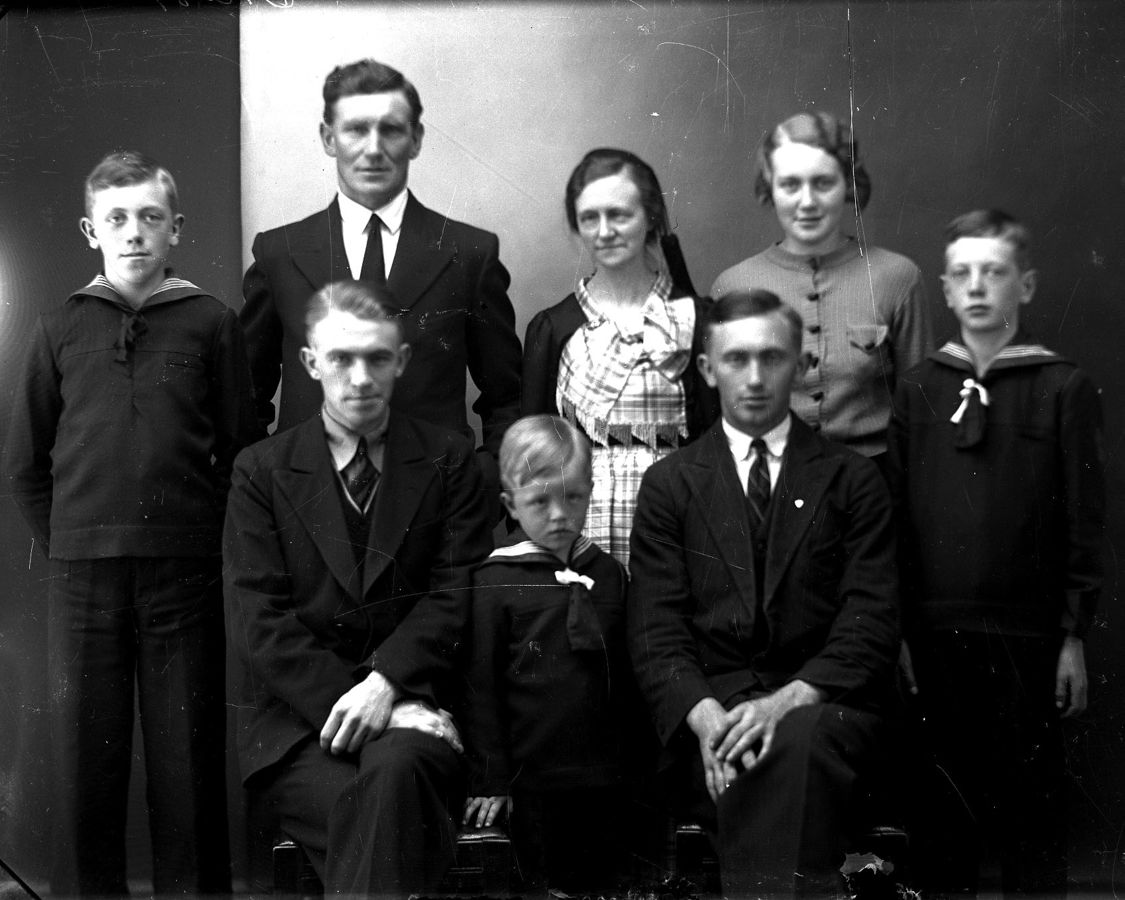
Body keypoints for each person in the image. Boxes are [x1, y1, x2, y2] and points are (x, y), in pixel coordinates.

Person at [3, 150, 258, 895]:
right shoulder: (61, 327)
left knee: (187, 755)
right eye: (116, 218)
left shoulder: (211, 323)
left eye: (151, 217)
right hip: (84, 578)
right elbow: (24, 463)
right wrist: (71, 544)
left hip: (184, 573)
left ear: (176, 227)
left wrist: (201, 541)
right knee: (86, 754)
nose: (134, 232)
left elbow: (242, 450)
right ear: (92, 230)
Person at [224, 279, 493, 897]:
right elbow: (259, 622)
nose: (362, 378)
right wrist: (374, 702)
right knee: (383, 805)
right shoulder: (260, 471)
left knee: (392, 779)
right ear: (311, 362)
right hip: (301, 730)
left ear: (401, 361)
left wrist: (388, 683)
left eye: (377, 358)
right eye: (341, 358)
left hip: (418, 716)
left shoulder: (450, 459)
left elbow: (456, 594)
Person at [628, 290, 899, 897]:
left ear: (801, 366)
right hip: (711, 716)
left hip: (824, 710)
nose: (754, 378)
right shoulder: (670, 484)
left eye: (772, 358)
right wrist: (709, 722)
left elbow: (871, 622)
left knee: (794, 743)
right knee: (760, 754)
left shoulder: (852, 479)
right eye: (737, 359)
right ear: (707, 369)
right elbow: (655, 632)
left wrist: (782, 706)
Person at [887, 209, 1105, 896]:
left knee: (1031, 806)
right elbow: (894, 520)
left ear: (1026, 285)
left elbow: (1084, 521)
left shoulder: (1061, 388)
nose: (978, 286)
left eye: (995, 272)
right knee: (940, 809)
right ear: (946, 291)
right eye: (963, 274)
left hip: (1029, 635)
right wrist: (899, 630)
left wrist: (1071, 635)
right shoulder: (918, 388)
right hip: (934, 631)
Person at [240, 58, 522, 493]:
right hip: (308, 506)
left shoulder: (469, 254)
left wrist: (478, 485)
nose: (373, 148)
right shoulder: (280, 254)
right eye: (356, 129)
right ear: (328, 138)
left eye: (390, 129)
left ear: (416, 139)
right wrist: (268, 489)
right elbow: (245, 399)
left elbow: (509, 399)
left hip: (435, 505)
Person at [461, 414, 635, 893]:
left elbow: (625, 677)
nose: (559, 514)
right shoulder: (494, 582)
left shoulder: (608, 573)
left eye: (573, 497)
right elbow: (480, 687)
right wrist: (491, 778)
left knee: (607, 882)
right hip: (531, 780)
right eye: (540, 501)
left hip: (605, 774)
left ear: (590, 491)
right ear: (510, 505)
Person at [522, 148, 717, 567]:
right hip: (579, 533)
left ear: (651, 216)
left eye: (619, 215)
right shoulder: (553, 329)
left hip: (677, 525)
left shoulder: (697, 319)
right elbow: (536, 452)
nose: (604, 231)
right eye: (589, 218)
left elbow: (717, 439)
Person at [710, 110, 932, 461]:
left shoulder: (897, 277)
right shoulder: (733, 284)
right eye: (790, 185)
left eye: (823, 183)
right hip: (770, 477)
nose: (808, 202)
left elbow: (920, 409)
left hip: (877, 477)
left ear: (848, 185)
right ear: (770, 189)